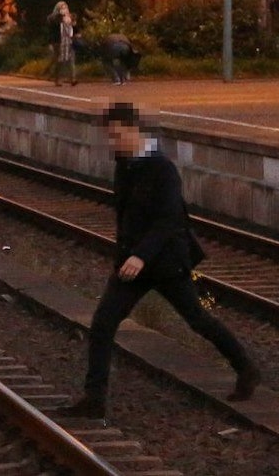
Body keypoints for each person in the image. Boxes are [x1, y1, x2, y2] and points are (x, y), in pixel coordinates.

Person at [59, 103, 258, 420]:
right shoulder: (124, 164)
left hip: (165, 263)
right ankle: (94, 400)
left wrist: (141, 255)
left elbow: (169, 220)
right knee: (102, 325)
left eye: (115, 135)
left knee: (197, 320)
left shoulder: (162, 168)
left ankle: (245, 368)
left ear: (131, 129)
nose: (112, 142)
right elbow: (124, 214)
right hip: (132, 265)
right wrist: (125, 254)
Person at [51, 1, 78, 86]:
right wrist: (61, 17)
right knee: (60, 61)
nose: (65, 10)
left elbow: (75, 29)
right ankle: (58, 79)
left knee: (71, 60)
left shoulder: (70, 18)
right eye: (62, 8)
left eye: (66, 7)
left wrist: (73, 23)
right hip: (59, 42)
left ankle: (73, 79)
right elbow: (53, 21)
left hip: (69, 41)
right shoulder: (54, 18)